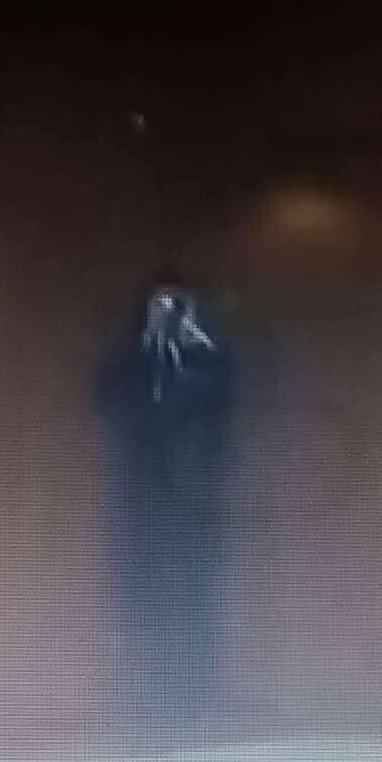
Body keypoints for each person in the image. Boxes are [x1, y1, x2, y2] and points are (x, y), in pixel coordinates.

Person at [95, 275, 239, 733]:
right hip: (142, 505)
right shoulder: (135, 363)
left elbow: (227, 396)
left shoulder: (210, 363)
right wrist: (144, 344)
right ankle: (148, 706)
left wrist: (200, 346)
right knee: (144, 603)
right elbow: (103, 395)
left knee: (194, 604)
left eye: (179, 307)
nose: (171, 316)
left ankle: (193, 706)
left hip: (194, 507)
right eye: (161, 306)